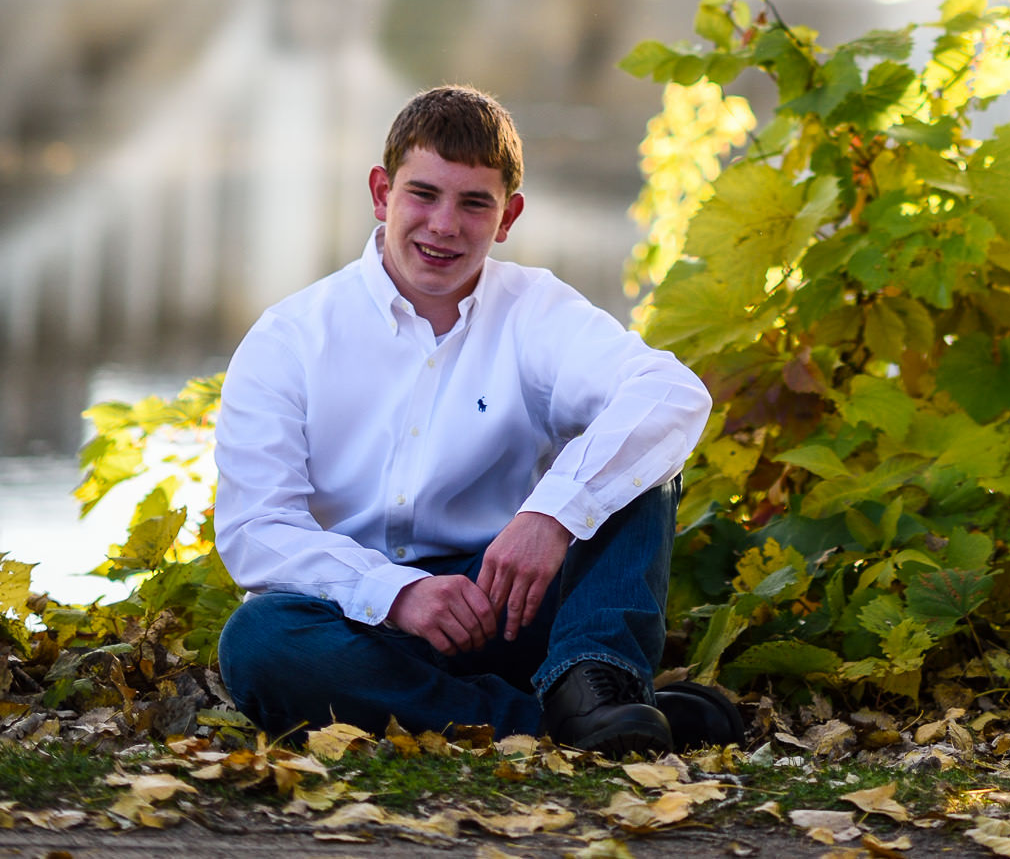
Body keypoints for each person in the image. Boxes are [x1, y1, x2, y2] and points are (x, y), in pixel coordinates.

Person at [214, 83, 740, 756]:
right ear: (382, 192)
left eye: (474, 202)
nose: (444, 225)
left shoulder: (535, 310)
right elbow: (257, 530)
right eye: (424, 194)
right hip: (360, 622)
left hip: (509, 604)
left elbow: (671, 392)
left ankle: (593, 676)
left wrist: (550, 514)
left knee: (641, 465)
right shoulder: (290, 337)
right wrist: (398, 592)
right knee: (259, 640)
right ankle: (560, 718)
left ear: (508, 215)